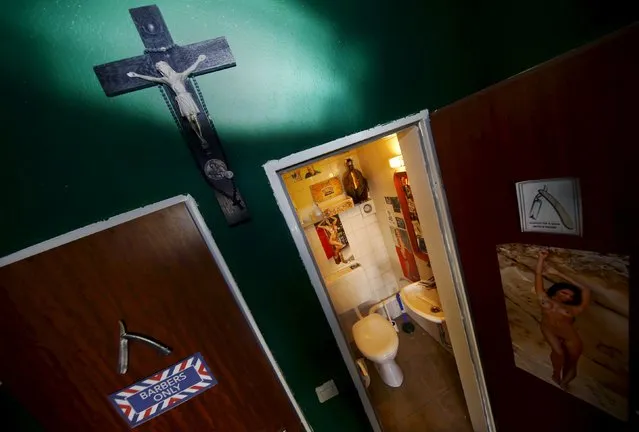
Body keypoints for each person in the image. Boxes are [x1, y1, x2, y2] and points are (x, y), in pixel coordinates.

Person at [535, 249, 591, 388]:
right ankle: (555, 373)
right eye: (564, 292)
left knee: (571, 363)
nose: (567, 297)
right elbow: (538, 275)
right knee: (558, 352)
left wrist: (559, 273)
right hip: (549, 328)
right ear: (555, 291)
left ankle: (564, 385)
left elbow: (586, 290)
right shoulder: (544, 298)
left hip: (571, 338)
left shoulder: (574, 309)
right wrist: (541, 258)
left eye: (570, 296)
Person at [127, 55, 208, 146]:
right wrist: (137, 75)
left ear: (167, 66)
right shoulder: (165, 79)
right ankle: (200, 138)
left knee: (194, 117)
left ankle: (202, 136)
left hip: (187, 97)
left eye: (162, 66)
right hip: (180, 99)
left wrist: (198, 60)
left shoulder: (180, 75)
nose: (162, 69)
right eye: (160, 68)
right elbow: (152, 78)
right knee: (189, 119)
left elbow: (191, 69)